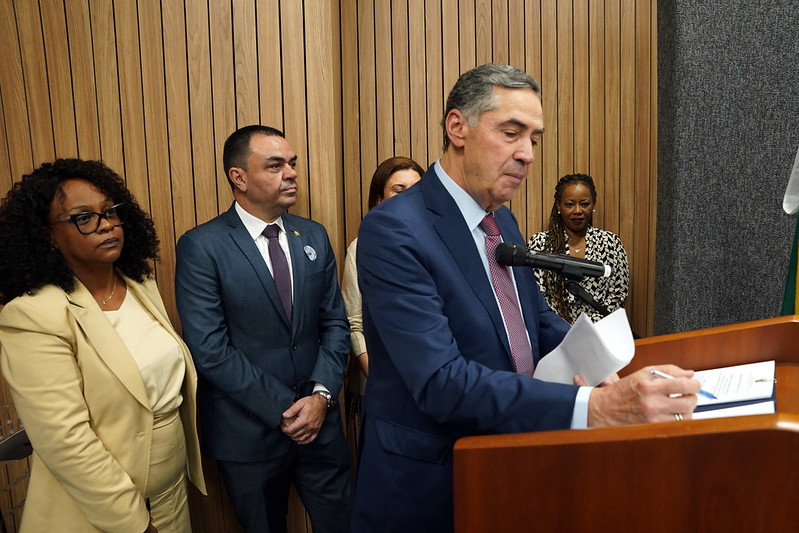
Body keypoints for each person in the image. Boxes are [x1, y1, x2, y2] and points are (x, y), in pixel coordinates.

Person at [351, 63, 701, 532]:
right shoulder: (394, 229)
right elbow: (440, 381)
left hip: (513, 463)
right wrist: (596, 409)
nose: (527, 154)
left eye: (534, 138)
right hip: (431, 483)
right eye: (511, 132)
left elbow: (534, 320)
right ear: (458, 127)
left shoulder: (503, 221)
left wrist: (600, 367)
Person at [0, 158, 205, 533]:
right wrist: (134, 524)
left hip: (171, 495)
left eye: (110, 211)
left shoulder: (139, 283)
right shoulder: (33, 316)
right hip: (104, 514)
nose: (107, 224)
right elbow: (66, 442)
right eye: (84, 218)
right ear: (46, 233)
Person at [174, 125, 352, 533]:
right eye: (275, 165)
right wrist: (286, 410)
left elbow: (335, 325)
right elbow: (209, 348)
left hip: (321, 426)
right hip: (249, 435)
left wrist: (320, 397)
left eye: (292, 163)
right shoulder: (203, 246)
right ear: (239, 177)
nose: (290, 173)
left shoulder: (313, 235)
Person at [341, 156, 424, 378]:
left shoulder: (441, 245)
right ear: (379, 199)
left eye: (416, 190)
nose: (410, 197)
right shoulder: (361, 248)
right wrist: (378, 377)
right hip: (381, 375)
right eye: (399, 190)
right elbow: (354, 324)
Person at [528, 173, 630, 323]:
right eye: (570, 204)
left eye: (584, 204)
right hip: (556, 335)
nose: (577, 211)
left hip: (600, 333)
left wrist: (589, 328)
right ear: (558, 206)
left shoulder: (611, 242)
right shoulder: (540, 243)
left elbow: (618, 293)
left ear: (593, 204)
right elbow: (536, 296)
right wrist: (565, 329)